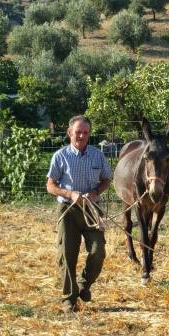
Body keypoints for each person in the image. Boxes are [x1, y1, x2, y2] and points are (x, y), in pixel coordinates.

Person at [46, 115, 112, 312]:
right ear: (69, 133)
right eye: (78, 132)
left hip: (92, 209)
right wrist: (70, 194)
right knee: (66, 255)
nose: (81, 136)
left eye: (85, 133)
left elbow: (106, 179)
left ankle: (84, 284)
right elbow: (50, 186)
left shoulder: (97, 155)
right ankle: (69, 300)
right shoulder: (60, 156)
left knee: (98, 251)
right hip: (68, 209)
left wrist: (94, 193)